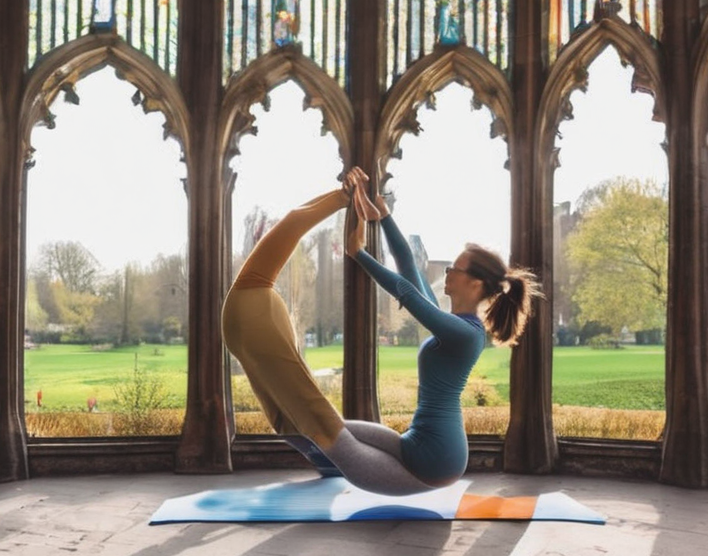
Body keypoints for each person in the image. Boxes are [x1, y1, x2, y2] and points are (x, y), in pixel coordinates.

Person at [221, 167, 540, 496]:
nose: (446, 273)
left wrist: (358, 254)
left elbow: (406, 291)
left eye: (452, 269)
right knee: (318, 428)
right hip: (413, 445)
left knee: (325, 429)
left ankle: (332, 466)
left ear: (474, 282)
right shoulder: (453, 323)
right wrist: (384, 215)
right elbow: (408, 265)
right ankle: (325, 468)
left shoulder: (467, 334)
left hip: (433, 464)